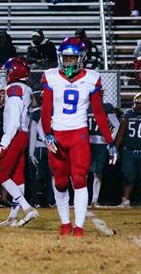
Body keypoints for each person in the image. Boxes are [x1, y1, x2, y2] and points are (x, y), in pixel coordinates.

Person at [41, 37, 118, 237]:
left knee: (79, 179)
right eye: (65, 58)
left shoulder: (91, 78)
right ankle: (65, 223)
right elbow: (46, 109)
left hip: (79, 135)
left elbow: (99, 113)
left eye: (72, 58)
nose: (67, 62)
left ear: (81, 59)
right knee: (59, 182)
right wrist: (48, 134)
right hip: (57, 135)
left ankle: (79, 227)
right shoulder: (51, 76)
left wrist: (110, 142)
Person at [0, 58, 40, 226]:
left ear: (15, 72)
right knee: (17, 177)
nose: (6, 75)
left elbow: (13, 120)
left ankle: (27, 209)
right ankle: (13, 217)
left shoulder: (14, 88)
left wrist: (3, 143)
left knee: (2, 175)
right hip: (23, 135)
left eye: (8, 71)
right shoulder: (26, 89)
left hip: (15, 135)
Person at [114, 92, 141, 209]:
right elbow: (121, 133)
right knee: (128, 176)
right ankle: (126, 200)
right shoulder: (128, 114)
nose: (139, 106)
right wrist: (115, 149)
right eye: (137, 103)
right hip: (129, 150)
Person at [86, 93, 120, 208]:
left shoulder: (106, 107)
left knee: (98, 173)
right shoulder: (84, 106)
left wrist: (110, 139)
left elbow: (116, 124)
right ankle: (82, 198)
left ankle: (95, 199)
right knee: (83, 172)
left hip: (100, 143)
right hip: (86, 143)